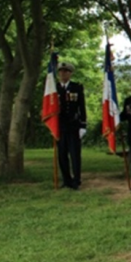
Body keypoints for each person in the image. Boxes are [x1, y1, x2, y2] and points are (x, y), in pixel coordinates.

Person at [56, 62, 87, 190]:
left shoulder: (76, 87)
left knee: (74, 155)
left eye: (66, 71)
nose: (63, 74)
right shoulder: (54, 88)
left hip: (74, 125)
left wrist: (83, 125)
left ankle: (76, 180)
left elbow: (81, 107)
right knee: (62, 154)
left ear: (70, 73)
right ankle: (66, 179)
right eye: (61, 71)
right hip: (60, 126)